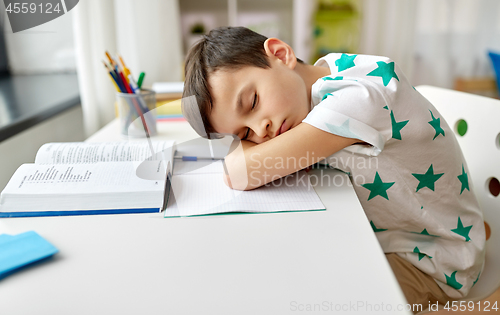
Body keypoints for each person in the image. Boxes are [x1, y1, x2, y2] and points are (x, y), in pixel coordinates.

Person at [181, 26, 485, 310]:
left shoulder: (356, 100)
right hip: (388, 239)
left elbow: (241, 172)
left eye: (252, 102)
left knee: (317, 298)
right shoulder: (323, 74)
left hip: (434, 264)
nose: (262, 130)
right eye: (245, 134)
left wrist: (243, 148)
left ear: (280, 53)